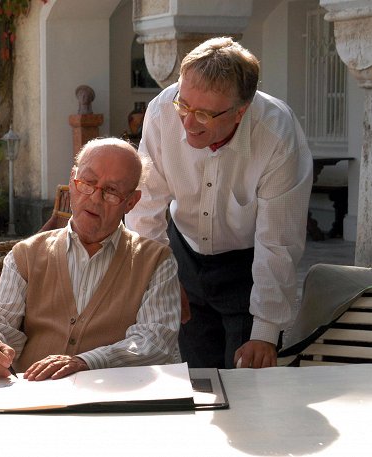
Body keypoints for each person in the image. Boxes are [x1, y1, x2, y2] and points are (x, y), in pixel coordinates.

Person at [126, 37, 313, 370]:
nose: (187, 122)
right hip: (182, 251)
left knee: (248, 389)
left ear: (240, 111)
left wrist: (266, 331)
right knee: (197, 381)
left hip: (248, 265)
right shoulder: (161, 111)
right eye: (183, 104)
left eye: (204, 114)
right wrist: (162, 279)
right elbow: (145, 209)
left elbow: (278, 239)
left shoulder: (276, 133)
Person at [0, 137, 181, 381]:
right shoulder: (26, 255)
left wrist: (86, 362)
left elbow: (155, 342)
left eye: (111, 191)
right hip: (34, 399)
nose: (95, 198)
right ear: (72, 181)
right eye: (87, 183)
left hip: (112, 404)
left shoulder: (156, 261)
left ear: (131, 202)